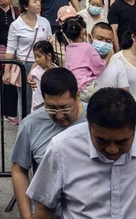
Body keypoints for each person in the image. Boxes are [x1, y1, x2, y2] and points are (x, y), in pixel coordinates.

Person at [28, 87, 136, 219]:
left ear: (135, 129)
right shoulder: (61, 149)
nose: (112, 150)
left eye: (121, 142)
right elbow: (44, 208)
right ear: (89, 126)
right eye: (102, 140)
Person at [10, 67, 86, 219]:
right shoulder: (31, 124)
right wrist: (26, 216)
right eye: (51, 108)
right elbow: (19, 170)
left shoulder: (96, 120)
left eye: (65, 107)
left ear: (77, 96)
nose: (59, 115)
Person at [59, 14, 108, 102]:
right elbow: (99, 67)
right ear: (83, 31)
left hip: (73, 89)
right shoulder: (87, 47)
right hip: (86, 88)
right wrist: (110, 55)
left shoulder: (69, 48)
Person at [28, 41, 58, 111]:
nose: (37, 60)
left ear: (49, 56)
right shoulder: (35, 73)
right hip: (41, 108)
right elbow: (38, 96)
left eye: (39, 56)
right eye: (35, 57)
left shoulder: (58, 70)